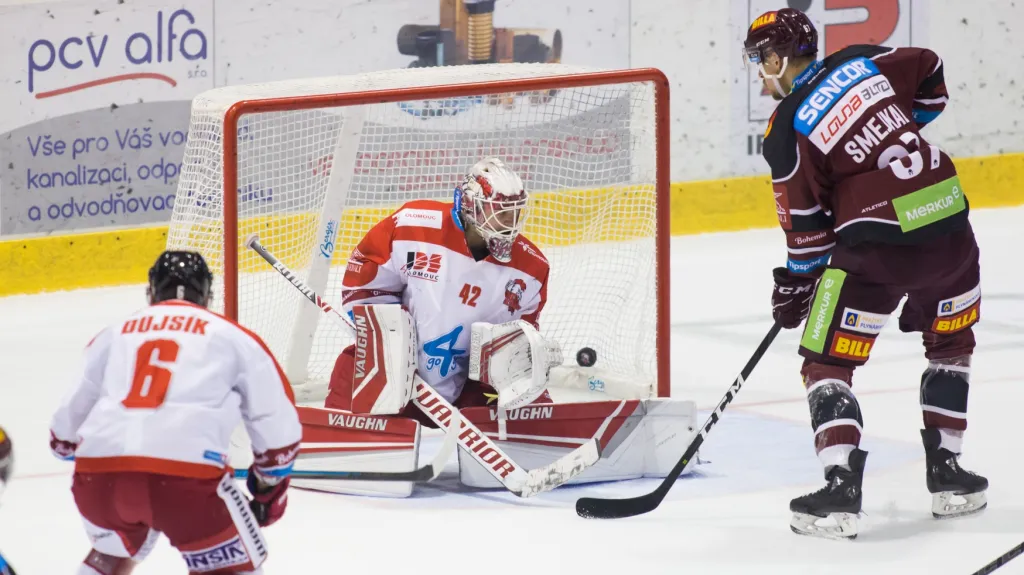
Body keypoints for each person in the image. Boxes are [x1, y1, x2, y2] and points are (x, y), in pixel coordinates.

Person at [743, 8, 987, 539]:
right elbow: (931, 72)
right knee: (950, 344)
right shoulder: (863, 59)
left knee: (825, 362)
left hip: (877, 249)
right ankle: (950, 476)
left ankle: (840, 490)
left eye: (762, 59)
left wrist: (795, 284)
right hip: (949, 223)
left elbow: (808, 234)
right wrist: (889, 138)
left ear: (779, 59)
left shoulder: (786, 127)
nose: (760, 72)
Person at [49, 251, 302, 574]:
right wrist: (268, 491)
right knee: (233, 568)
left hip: (99, 480)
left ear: (151, 293)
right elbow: (278, 430)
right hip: (188, 483)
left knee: (111, 556)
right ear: (207, 296)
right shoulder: (234, 337)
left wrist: (117, 462)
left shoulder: (112, 334)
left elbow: (63, 435)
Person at [325, 157, 560, 424]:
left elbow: (520, 342)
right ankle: (346, 427)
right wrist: (391, 339)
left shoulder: (531, 269)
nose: (511, 222)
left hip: (468, 389)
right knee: (358, 364)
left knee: (520, 377)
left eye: (515, 212)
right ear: (471, 206)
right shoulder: (415, 226)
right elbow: (365, 282)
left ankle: (532, 428)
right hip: (396, 376)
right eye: (501, 212)